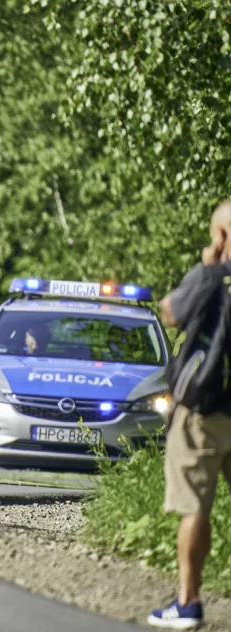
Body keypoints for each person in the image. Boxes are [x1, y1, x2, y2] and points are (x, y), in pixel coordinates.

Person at [151, 200, 231, 629]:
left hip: (203, 411)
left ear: (220, 235)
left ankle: (188, 601)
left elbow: (171, 312)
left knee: (194, 506)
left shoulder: (213, 276)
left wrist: (207, 267)